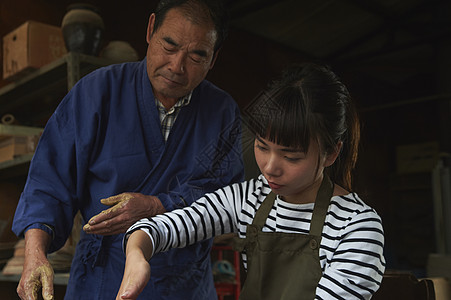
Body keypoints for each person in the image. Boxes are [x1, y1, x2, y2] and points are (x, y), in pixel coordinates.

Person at [12, 0, 244, 299]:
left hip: (183, 283)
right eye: (169, 46)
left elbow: (226, 200)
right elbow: (48, 182)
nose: (177, 66)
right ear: (150, 30)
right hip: (102, 277)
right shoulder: (96, 93)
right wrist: (35, 253)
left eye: (197, 55)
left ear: (213, 59)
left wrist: (156, 206)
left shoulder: (222, 112)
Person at [116, 63, 386, 300]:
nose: (269, 168)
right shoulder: (248, 199)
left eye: (290, 157)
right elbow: (169, 225)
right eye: (262, 146)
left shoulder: (357, 227)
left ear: (331, 154)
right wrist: (137, 253)